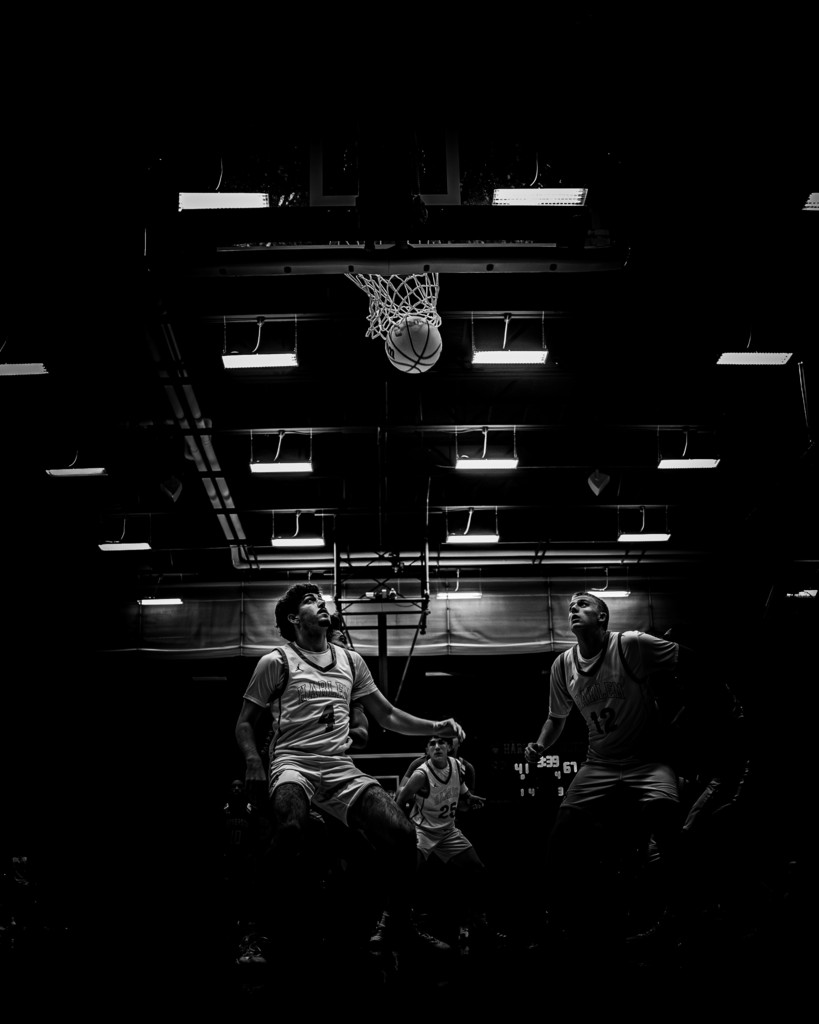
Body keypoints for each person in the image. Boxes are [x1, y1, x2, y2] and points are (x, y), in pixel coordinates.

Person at [234, 582, 466, 967]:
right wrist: (253, 760)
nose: (321, 603)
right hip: (294, 762)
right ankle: (255, 931)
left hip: (339, 767)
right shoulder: (276, 662)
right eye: (310, 601)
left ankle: (398, 924)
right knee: (291, 829)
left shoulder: (351, 661)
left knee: (402, 832)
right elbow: (244, 723)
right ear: (293, 618)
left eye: (321, 598)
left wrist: (435, 726)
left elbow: (387, 715)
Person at [524, 591, 687, 957]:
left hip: (646, 760)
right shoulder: (563, 665)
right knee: (560, 838)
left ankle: (678, 919)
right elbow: (556, 718)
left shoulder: (630, 644)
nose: (574, 608)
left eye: (583, 604)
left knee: (668, 829)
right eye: (571, 606)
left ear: (602, 617)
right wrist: (539, 745)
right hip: (599, 763)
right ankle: (557, 922)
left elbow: (687, 660)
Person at [390, 735, 503, 955]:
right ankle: (394, 925)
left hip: (448, 831)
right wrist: (402, 829)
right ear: (427, 749)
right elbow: (399, 800)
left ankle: (479, 921)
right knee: (408, 875)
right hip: (423, 831)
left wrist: (469, 798)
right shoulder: (420, 773)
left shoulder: (458, 766)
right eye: (432, 744)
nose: (437, 746)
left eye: (441, 742)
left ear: (449, 746)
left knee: (477, 869)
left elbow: (462, 790)